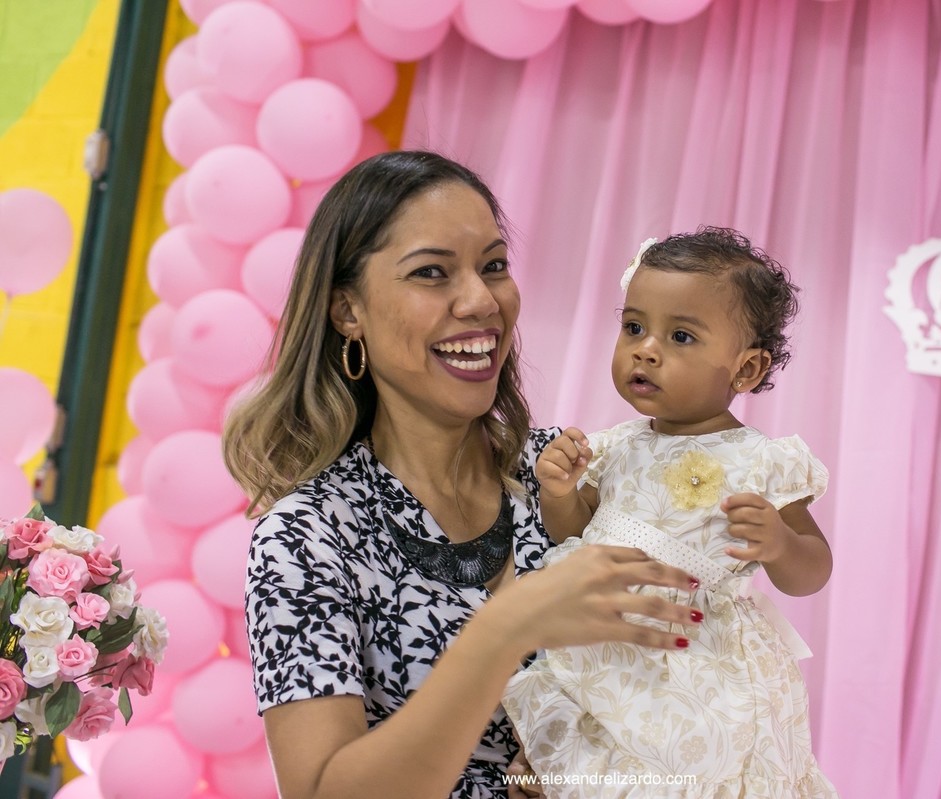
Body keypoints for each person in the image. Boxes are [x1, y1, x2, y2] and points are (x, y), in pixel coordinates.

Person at [222, 150, 702, 799]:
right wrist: (507, 627)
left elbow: (684, 695)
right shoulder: (309, 535)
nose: (481, 300)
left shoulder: (568, 471)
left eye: (494, 266)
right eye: (432, 273)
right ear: (347, 311)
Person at [502, 228, 839, 798]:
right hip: (602, 642)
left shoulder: (761, 462)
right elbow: (578, 534)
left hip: (691, 660)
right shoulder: (617, 446)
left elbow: (814, 570)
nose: (646, 348)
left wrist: (781, 542)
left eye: (680, 336)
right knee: (575, 755)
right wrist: (560, 493)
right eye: (634, 326)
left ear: (746, 370)